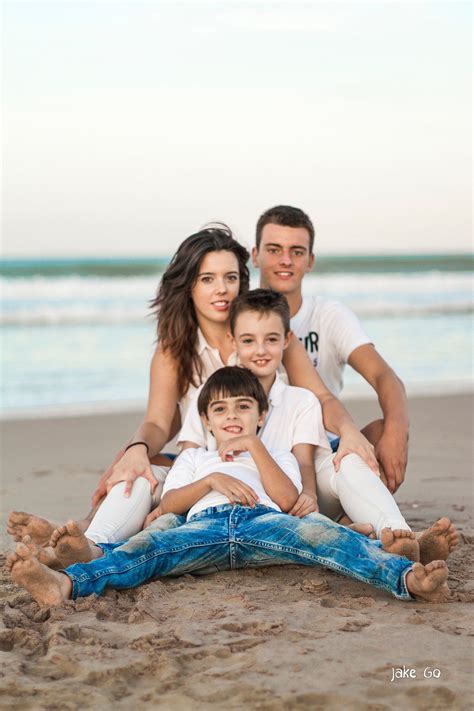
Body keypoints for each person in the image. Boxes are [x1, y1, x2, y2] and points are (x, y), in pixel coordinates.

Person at [7, 225, 378, 551]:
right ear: (189, 287)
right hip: (210, 465)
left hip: (280, 469)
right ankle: (87, 538)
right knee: (139, 469)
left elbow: (321, 396)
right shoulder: (175, 348)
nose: (222, 290)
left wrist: (348, 432)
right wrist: (135, 450)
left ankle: (383, 532)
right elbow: (158, 421)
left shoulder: (263, 337)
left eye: (231, 278)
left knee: (353, 455)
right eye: (207, 279)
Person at [7, 367, 449, 606]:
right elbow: (172, 504)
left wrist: (255, 447)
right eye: (220, 410)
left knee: (326, 538)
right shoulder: (195, 457)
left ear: (261, 416)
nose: (232, 416)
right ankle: (62, 586)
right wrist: (212, 480)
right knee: (140, 555)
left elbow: (288, 500)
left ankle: (408, 578)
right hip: (203, 528)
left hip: (264, 524)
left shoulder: (273, 453)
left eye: (244, 407)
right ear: (206, 421)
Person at [175, 290, 458, 564]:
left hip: (296, 496)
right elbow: (189, 463)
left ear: (287, 340)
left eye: (271, 339)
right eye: (248, 341)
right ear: (232, 340)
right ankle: (358, 534)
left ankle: (399, 534)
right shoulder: (211, 398)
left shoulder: (301, 399)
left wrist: (309, 494)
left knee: (348, 462)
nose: (260, 350)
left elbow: (305, 463)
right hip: (242, 509)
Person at [252, 205, 409, 493]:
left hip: (322, 453)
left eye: (296, 252)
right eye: (274, 249)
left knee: (382, 430)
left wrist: (397, 434)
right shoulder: (240, 318)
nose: (285, 260)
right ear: (255, 255)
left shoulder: (328, 315)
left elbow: (385, 378)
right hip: (259, 459)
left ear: (309, 261)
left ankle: (352, 520)